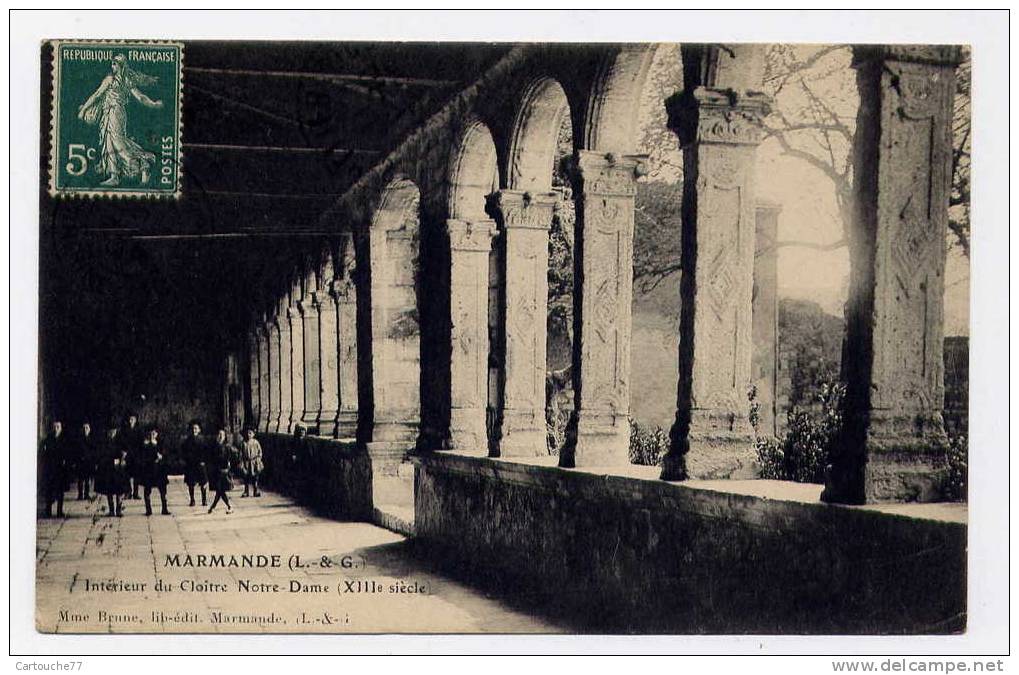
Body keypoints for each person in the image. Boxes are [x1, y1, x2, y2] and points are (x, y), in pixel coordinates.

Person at [76, 54, 163, 187]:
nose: (113, 66)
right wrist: (154, 104)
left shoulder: (114, 80)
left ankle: (143, 164)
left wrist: (154, 104)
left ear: (121, 65)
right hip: (110, 113)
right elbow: (98, 95)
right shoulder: (123, 80)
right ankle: (114, 175)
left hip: (115, 113)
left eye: (115, 64)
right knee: (110, 143)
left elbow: (97, 95)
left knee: (117, 143)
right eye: (112, 64)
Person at [95, 421, 128, 517]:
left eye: (114, 431)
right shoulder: (104, 441)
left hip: (118, 469)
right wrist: (110, 461)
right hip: (108, 469)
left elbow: (125, 451)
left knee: (120, 490)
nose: (112, 433)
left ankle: (118, 509)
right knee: (109, 490)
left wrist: (123, 457)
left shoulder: (120, 440)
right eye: (110, 431)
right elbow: (101, 454)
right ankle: (111, 510)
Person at [39, 420, 70, 518]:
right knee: (49, 491)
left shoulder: (65, 439)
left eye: (58, 427)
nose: (56, 429)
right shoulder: (48, 439)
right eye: (55, 427)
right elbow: (43, 452)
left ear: (61, 428)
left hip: (60, 469)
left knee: (60, 492)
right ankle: (48, 511)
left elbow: (67, 453)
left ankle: (59, 511)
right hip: (50, 469)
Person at [138, 425, 171, 516]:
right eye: (151, 433)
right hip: (149, 470)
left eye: (154, 433)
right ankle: (148, 510)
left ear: (157, 434)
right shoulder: (145, 444)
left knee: (163, 490)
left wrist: (160, 455)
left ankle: (164, 508)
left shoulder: (161, 442)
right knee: (147, 490)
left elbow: (164, 454)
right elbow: (142, 456)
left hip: (160, 470)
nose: (153, 435)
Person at [181, 420, 209, 507]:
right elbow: (184, 452)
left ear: (199, 430)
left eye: (196, 428)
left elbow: (206, 451)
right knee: (191, 483)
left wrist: (204, 461)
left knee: (203, 482)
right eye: (193, 428)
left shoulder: (203, 440)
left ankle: (204, 499)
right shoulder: (187, 440)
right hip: (191, 464)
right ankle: (192, 500)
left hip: (200, 464)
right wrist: (187, 460)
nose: (194, 430)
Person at [207, 429, 234, 515]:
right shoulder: (214, 447)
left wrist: (228, 467)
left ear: (225, 437)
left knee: (220, 490)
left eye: (222, 435)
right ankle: (215, 507)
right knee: (219, 490)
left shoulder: (227, 447)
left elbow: (231, 459)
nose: (220, 437)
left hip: (223, 471)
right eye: (219, 435)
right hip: (216, 471)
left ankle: (226, 506)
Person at [73, 419, 98, 500]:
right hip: (80, 462)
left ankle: (86, 494)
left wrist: (93, 461)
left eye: (87, 428)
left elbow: (94, 451)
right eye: (84, 428)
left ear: (89, 429)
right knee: (80, 480)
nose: (85, 430)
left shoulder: (92, 439)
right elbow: (76, 451)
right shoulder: (78, 439)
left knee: (87, 480)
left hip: (89, 462)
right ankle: (80, 495)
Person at [121, 412, 143, 499]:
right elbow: (123, 442)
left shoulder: (139, 430)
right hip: (127, 455)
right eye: (130, 419)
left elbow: (141, 443)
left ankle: (136, 493)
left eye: (133, 419)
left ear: (136, 420)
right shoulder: (125, 430)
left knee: (136, 476)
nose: (131, 421)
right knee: (127, 475)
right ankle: (128, 492)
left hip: (136, 455)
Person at [240, 428, 263, 498]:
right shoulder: (243, 443)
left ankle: (255, 490)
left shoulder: (256, 442)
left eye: (250, 433)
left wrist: (258, 459)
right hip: (246, 462)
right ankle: (246, 491)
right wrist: (241, 462)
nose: (248, 435)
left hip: (254, 461)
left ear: (253, 434)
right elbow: (241, 453)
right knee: (246, 477)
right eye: (247, 433)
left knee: (255, 477)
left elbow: (260, 452)